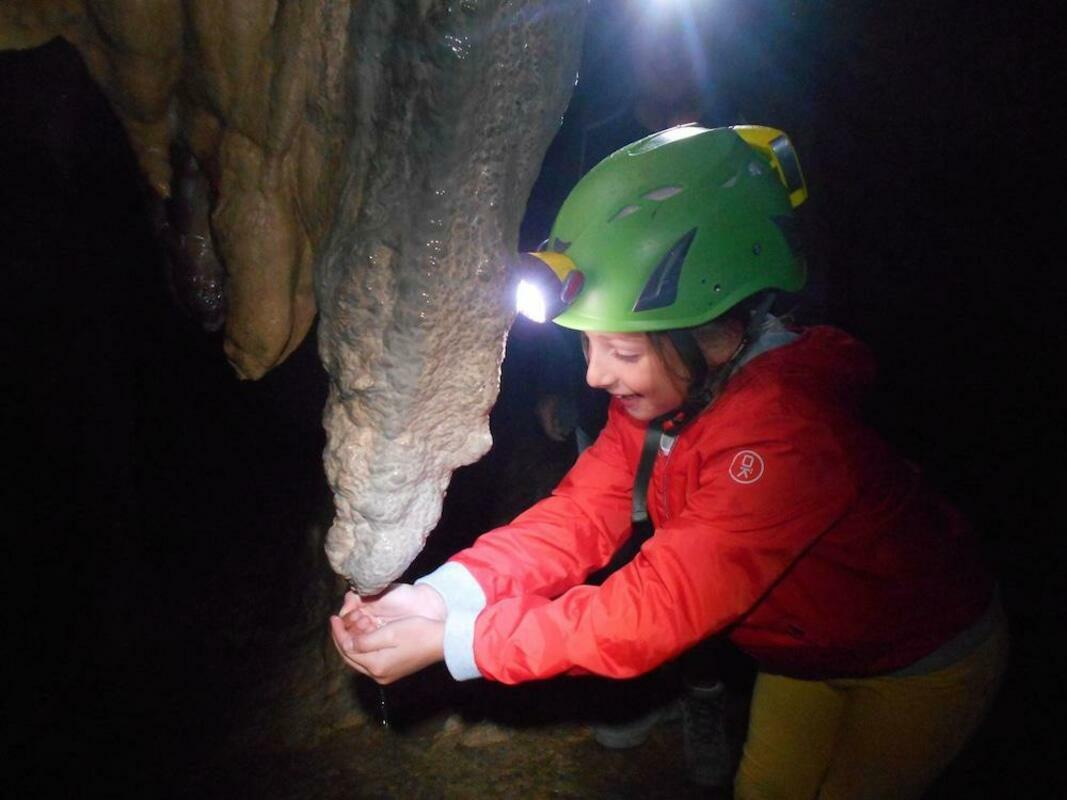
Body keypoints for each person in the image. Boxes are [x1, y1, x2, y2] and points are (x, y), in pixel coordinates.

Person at [330, 125, 1007, 797]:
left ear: (706, 331)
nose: (596, 376)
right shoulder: (666, 398)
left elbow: (651, 610)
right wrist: (440, 596)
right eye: (587, 345)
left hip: (917, 659)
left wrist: (460, 641)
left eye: (623, 352)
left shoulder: (789, 436)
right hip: (801, 656)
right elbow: (578, 516)